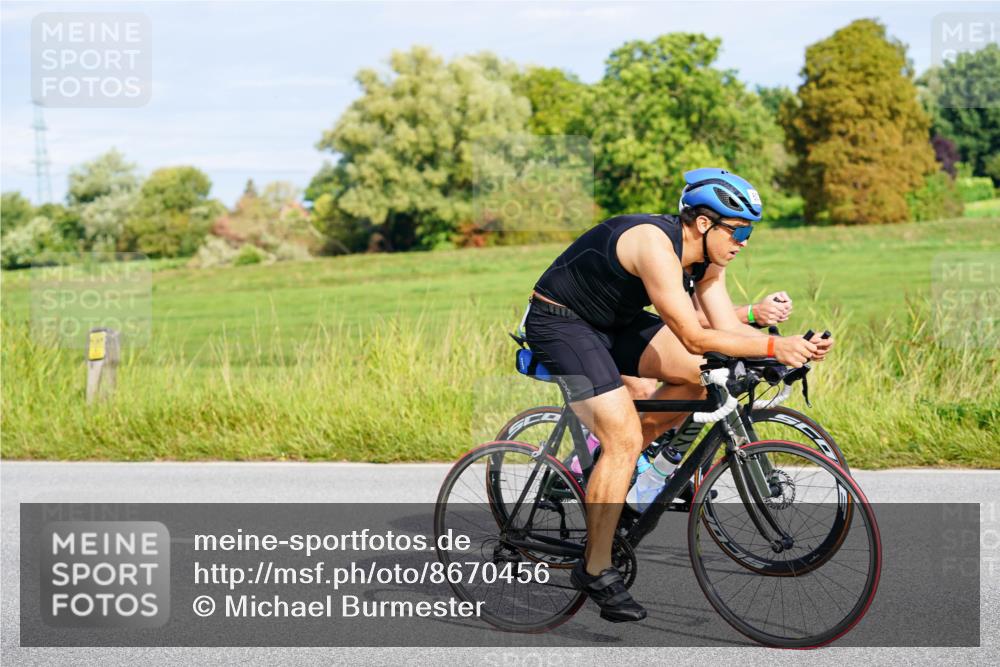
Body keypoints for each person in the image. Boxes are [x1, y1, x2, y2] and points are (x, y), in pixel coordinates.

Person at [523, 168, 834, 622]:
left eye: (750, 231)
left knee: (702, 376)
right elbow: (691, 335)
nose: (745, 240)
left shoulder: (709, 261)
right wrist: (772, 345)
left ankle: (620, 470)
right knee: (622, 438)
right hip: (562, 322)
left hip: (612, 324)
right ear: (704, 223)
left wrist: (779, 354)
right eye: (739, 229)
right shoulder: (654, 243)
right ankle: (594, 566)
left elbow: (723, 331)